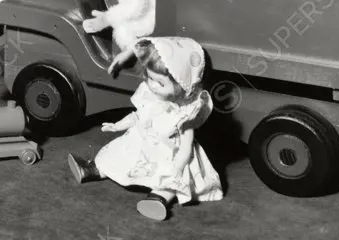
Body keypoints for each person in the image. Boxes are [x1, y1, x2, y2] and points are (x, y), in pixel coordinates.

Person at [66, 36, 223, 221]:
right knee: (116, 154)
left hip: (169, 153)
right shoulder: (150, 96)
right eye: (149, 77)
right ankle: (93, 170)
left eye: (161, 83)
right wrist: (117, 126)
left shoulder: (183, 114)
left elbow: (186, 147)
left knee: (170, 182)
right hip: (141, 141)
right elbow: (137, 116)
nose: (153, 86)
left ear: (183, 85)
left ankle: (159, 198)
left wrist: (179, 166)